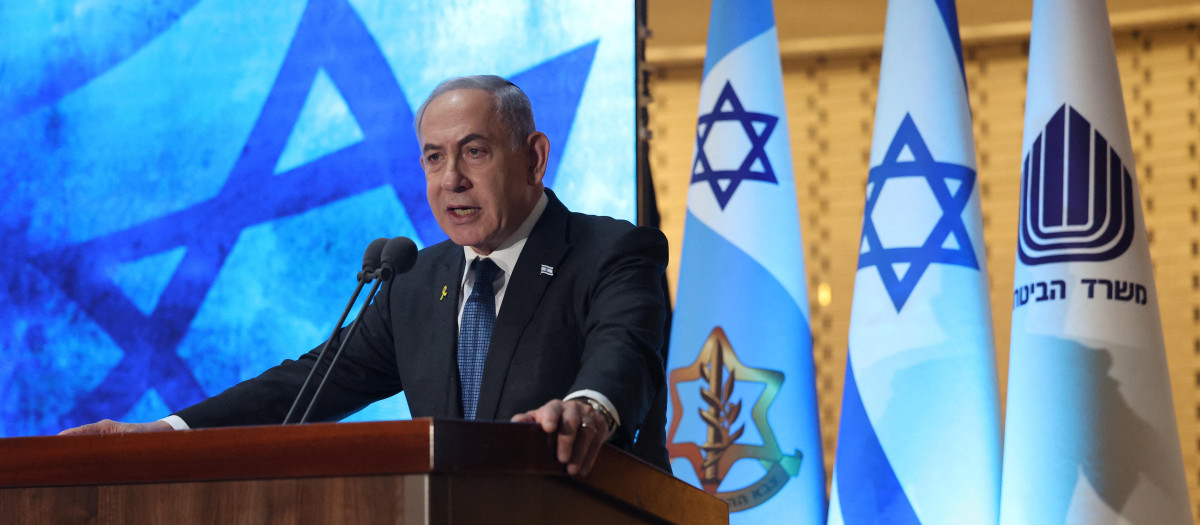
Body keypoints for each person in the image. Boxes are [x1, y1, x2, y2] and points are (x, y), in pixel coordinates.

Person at [61, 75, 670, 477]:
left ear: (534, 157)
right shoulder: (414, 280)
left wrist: (589, 408)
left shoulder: (613, 250)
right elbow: (308, 386)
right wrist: (165, 434)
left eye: (475, 151)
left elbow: (626, 351)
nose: (450, 178)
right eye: (434, 157)